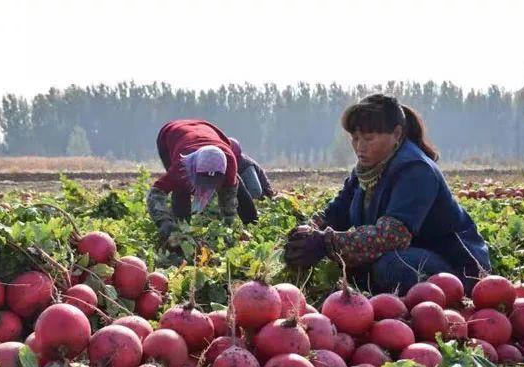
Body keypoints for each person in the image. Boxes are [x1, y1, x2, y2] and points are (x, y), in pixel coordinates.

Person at [284, 94, 491, 294]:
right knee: (355, 265)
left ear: (397, 134)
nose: (359, 147)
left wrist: (326, 243)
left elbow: (392, 236)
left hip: (455, 267)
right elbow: (337, 211)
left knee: (390, 266)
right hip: (410, 254)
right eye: (355, 138)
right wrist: (308, 232)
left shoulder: (416, 170)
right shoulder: (364, 171)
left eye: (369, 138)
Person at [147, 119, 260, 245]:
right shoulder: (181, 167)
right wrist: (164, 222)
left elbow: (229, 196)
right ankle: (182, 231)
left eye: (212, 182)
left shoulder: (229, 164)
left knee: (235, 185)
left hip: (208, 129)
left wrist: (228, 227)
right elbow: (155, 194)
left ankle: (253, 224)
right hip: (170, 133)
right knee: (181, 188)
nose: (207, 186)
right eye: (204, 181)